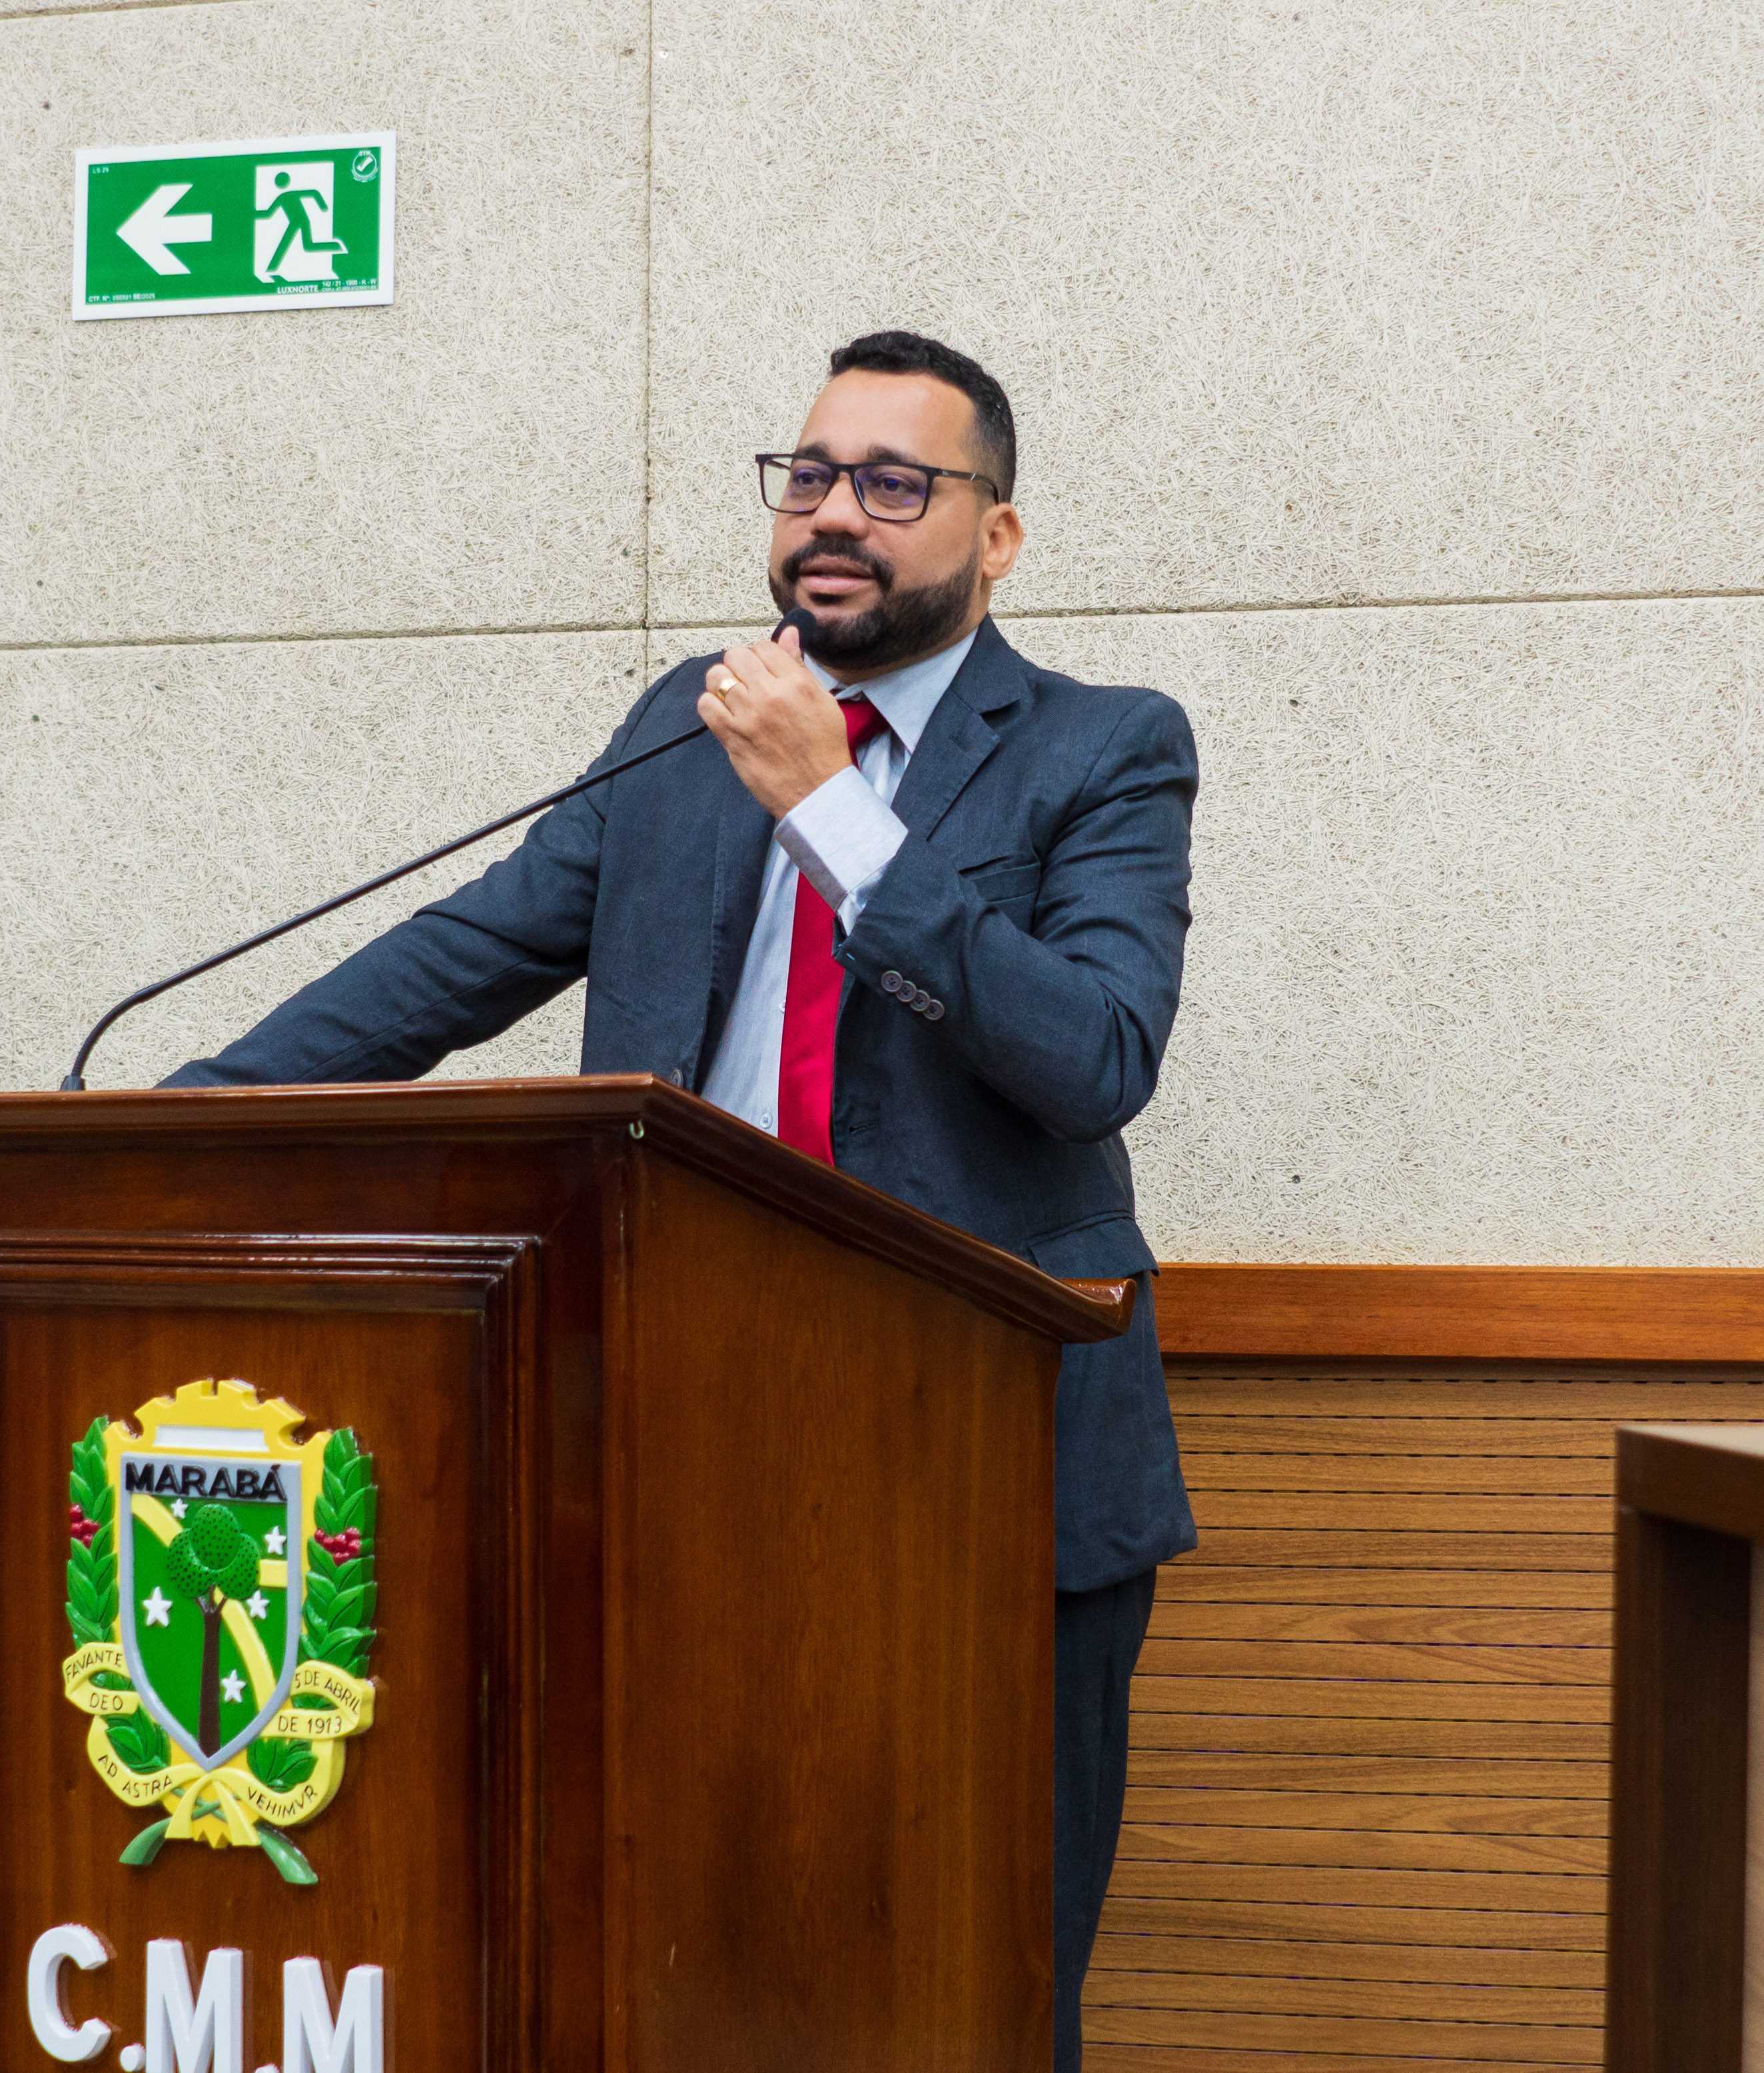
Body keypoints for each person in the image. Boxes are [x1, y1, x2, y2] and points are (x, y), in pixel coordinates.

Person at [163, 329, 1198, 2070]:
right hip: (689, 1444)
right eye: (811, 476)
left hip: (985, 1454)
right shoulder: (681, 727)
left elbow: (1095, 1054)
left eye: (894, 484)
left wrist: (837, 813)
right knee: (702, 1950)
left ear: (998, 535)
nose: (835, 515)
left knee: (978, 1971)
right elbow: (463, 957)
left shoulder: (1101, 747)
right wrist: (189, 1122)